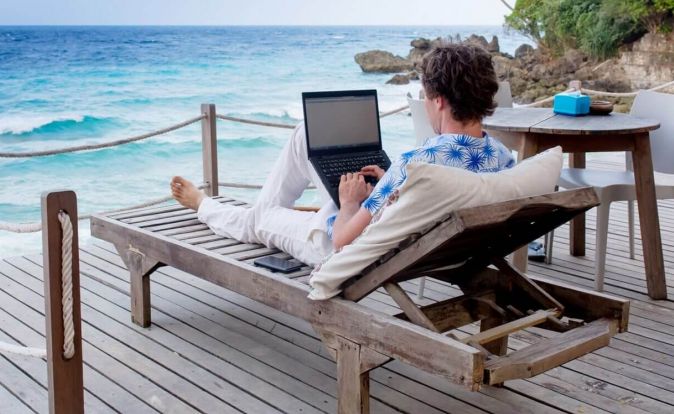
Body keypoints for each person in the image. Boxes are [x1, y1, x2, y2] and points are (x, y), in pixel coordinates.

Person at [171, 42, 517, 267]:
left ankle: (204, 206)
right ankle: (232, 208)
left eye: (425, 97)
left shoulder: (418, 162)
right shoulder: (503, 159)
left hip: (351, 247)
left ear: (439, 100)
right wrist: (390, 186)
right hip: (423, 238)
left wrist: (351, 201)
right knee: (306, 134)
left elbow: (341, 241)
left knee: (261, 218)